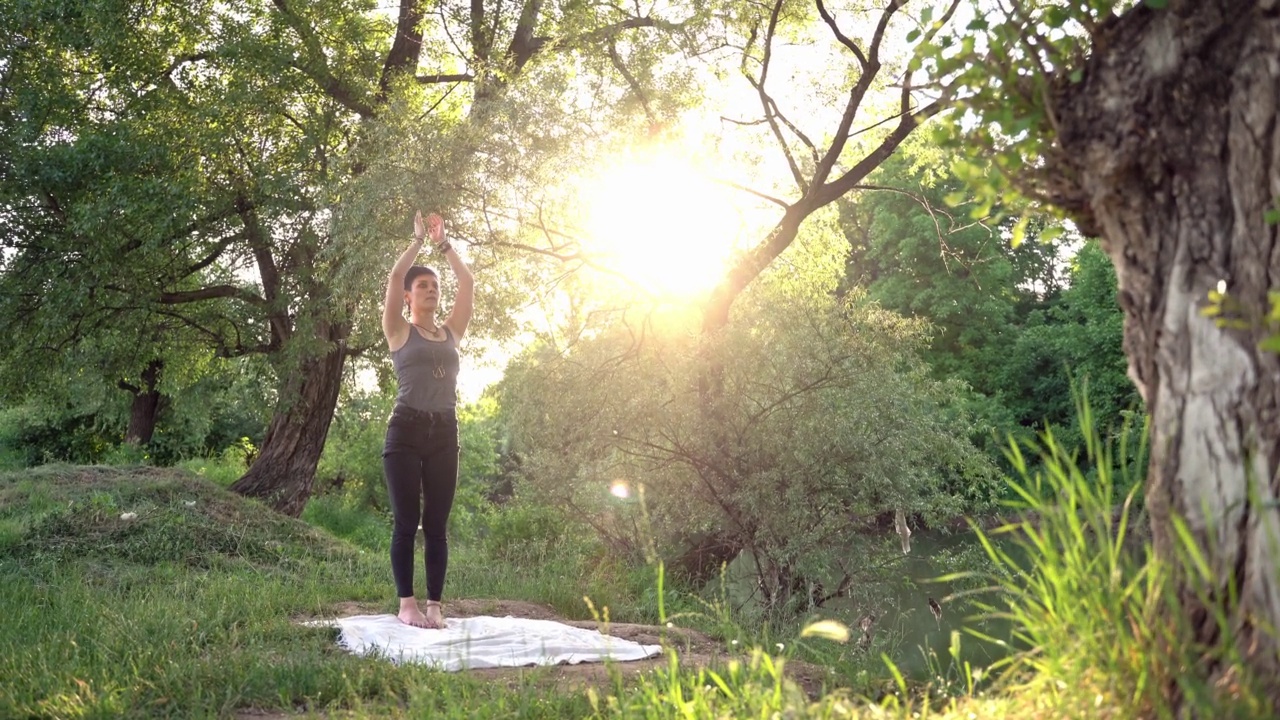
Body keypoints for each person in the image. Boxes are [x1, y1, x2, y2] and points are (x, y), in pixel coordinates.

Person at [381, 210, 473, 629]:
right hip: (406, 430)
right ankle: (407, 605)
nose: (431, 291)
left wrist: (445, 244)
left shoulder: (451, 332)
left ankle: (435, 605)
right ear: (408, 296)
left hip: (444, 431)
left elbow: (467, 284)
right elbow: (392, 278)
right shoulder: (399, 331)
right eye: (423, 286)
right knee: (406, 522)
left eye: (435, 286)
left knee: (436, 524)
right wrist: (417, 242)